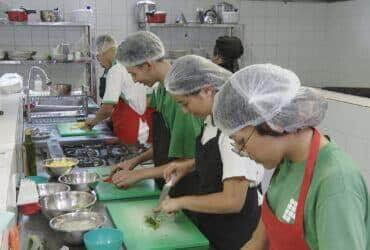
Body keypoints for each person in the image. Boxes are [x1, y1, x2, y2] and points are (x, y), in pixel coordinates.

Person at [212, 64, 370, 250]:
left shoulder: (335, 184)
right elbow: (258, 242)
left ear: (274, 122)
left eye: (242, 141)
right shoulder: (286, 163)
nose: (242, 151)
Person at [155, 55, 264, 250]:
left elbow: (233, 201)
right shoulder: (212, 119)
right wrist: (188, 165)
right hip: (215, 229)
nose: (184, 111)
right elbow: (219, 160)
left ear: (207, 90)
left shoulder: (233, 130)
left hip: (237, 237)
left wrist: (180, 202)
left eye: (184, 103)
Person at [111, 32, 202, 207]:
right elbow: (166, 145)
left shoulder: (178, 97)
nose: (134, 81)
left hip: (189, 186)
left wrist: (139, 175)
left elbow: (187, 161)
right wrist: (134, 161)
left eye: (133, 74)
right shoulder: (160, 90)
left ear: (147, 65)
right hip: (169, 178)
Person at [86, 34, 154, 145]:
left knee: (129, 158)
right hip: (146, 125)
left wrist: (93, 122)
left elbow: (107, 108)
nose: (98, 61)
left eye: (97, 56)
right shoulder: (131, 62)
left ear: (105, 52)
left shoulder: (116, 70)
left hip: (131, 128)